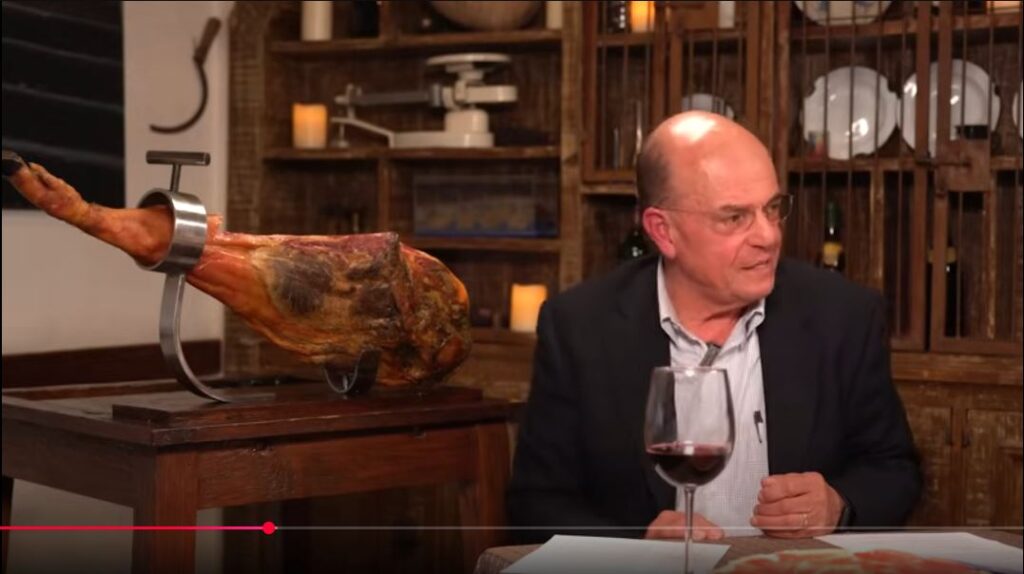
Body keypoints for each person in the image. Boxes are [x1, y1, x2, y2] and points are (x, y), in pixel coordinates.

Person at [506, 111, 921, 543]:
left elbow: (895, 469)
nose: (768, 236)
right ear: (663, 231)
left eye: (772, 209)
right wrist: (637, 540)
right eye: (735, 218)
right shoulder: (580, 328)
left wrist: (839, 505)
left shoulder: (843, 316)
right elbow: (536, 502)